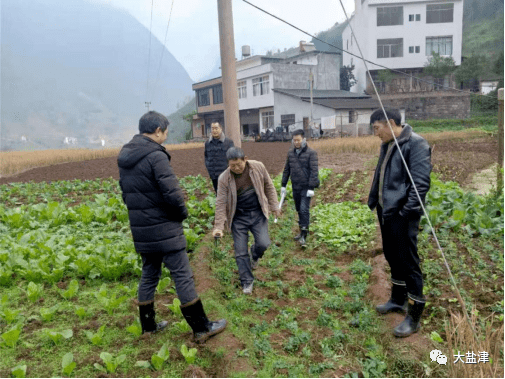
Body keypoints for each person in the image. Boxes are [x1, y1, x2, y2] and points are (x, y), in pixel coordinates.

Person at [117, 111, 227, 343]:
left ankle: (148, 326)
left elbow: (125, 194)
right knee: (183, 276)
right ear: (157, 131)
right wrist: (181, 215)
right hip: (165, 227)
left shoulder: (126, 156)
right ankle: (201, 327)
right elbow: (173, 194)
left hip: (142, 229)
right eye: (165, 132)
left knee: (149, 275)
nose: (166, 136)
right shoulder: (156, 156)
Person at [367, 108, 431, 338]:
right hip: (387, 211)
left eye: (376, 128)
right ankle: (397, 299)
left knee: (408, 261)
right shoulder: (388, 143)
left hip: (402, 214)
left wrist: (406, 212)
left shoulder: (416, 144)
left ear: (390, 122)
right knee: (392, 254)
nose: (375, 134)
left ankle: (414, 315)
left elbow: (420, 185)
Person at [212, 147, 280, 295]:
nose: (236, 168)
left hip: (257, 213)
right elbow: (220, 202)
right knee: (240, 252)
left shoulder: (258, 167)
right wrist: (218, 226)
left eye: (238, 164)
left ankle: (254, 255)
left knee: (263, 243)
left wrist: (274, 205)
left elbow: (269, 185)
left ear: (245, 159)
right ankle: (247, 282)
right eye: (232, 165)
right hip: (238, 218)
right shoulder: (224, 178)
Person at [281, 129, 319, 248]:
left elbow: (314, 171)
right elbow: (287, 169)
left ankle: (304, 235)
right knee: (298, 209)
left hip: (306, 187)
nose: (296, 142)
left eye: (298, 140)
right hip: (295, 186)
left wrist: (311, 187)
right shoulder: (290, 153)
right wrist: (283, 185)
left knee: (304, 209)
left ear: (303, 140)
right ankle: (301, 230)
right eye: (294, 140)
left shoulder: (311, 153)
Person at [204, 122, 234, 193]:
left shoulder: (228, 142)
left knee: (228, 194)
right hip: (213, 175)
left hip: (225, 175)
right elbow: (206, 157)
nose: (214, 131)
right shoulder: (207, 143)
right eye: (212, 128)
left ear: (221, 129)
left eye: (216, 128)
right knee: (218, 194)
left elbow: (232, 157)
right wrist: (210, 171)